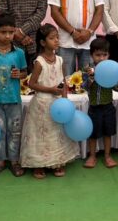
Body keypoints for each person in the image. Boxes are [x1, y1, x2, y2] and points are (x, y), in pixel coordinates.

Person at [21, 24, 79, 178]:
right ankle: (39, 164)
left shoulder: (60, 60)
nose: (56, 41)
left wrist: (65, 101)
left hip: (58, 105)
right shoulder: (39, 62)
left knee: (56, 133)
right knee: (41, 134)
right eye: (52, 38)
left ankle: (57, 162)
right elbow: (31, 84)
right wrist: (50, 90)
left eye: (57, 37)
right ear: (42, 42)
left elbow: (64, 82)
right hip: (42, 105)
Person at [0, 13, 27, 177]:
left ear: (14, 31)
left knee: (15, 131)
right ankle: (0, 161)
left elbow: (25, 73)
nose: (7, 36)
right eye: (3, 32)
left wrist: (19, 75)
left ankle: (14, 161)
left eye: (11, 32)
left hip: (14, 100)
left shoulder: (19, 53)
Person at [83, 38, 118, 169]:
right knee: (93, 133)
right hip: (94, 107)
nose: (101, 58)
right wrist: (91, 78)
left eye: (104, 55)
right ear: (91, 55)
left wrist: (117, 81)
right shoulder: (87, 70)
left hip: (108, 106)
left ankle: (107, 156)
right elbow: (84, 88)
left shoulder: (112, 70)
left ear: (109, 55)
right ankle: (92, 156)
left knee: (108, 133)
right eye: (98, 55)